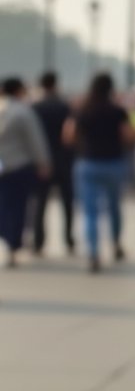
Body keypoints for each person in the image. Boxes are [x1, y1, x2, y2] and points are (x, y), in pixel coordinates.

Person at [66, 73, 133, 273]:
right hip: (113, 162)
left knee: (90, 212)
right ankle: (115, 243)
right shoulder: (118, 111)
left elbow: (68, 135)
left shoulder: (82, 110)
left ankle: (93, 252)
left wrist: (83, 144)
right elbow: (129, 135)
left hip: (88, 162)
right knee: (114, 207)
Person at [0, 77, 51, 267]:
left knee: (4, 204)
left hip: (2, 165)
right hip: (19, 165)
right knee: (19, 206)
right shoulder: (23, 112)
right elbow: (35, 140)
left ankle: (7, 236)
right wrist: (43, 162)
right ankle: (13, 243)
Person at [30, 71, 75, 256]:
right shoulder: (65, 106)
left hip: (42, 160)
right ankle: (69, 239)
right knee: (67, 202)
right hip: (63, 158)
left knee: (40, 203)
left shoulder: (35, 107)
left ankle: (38, 241)